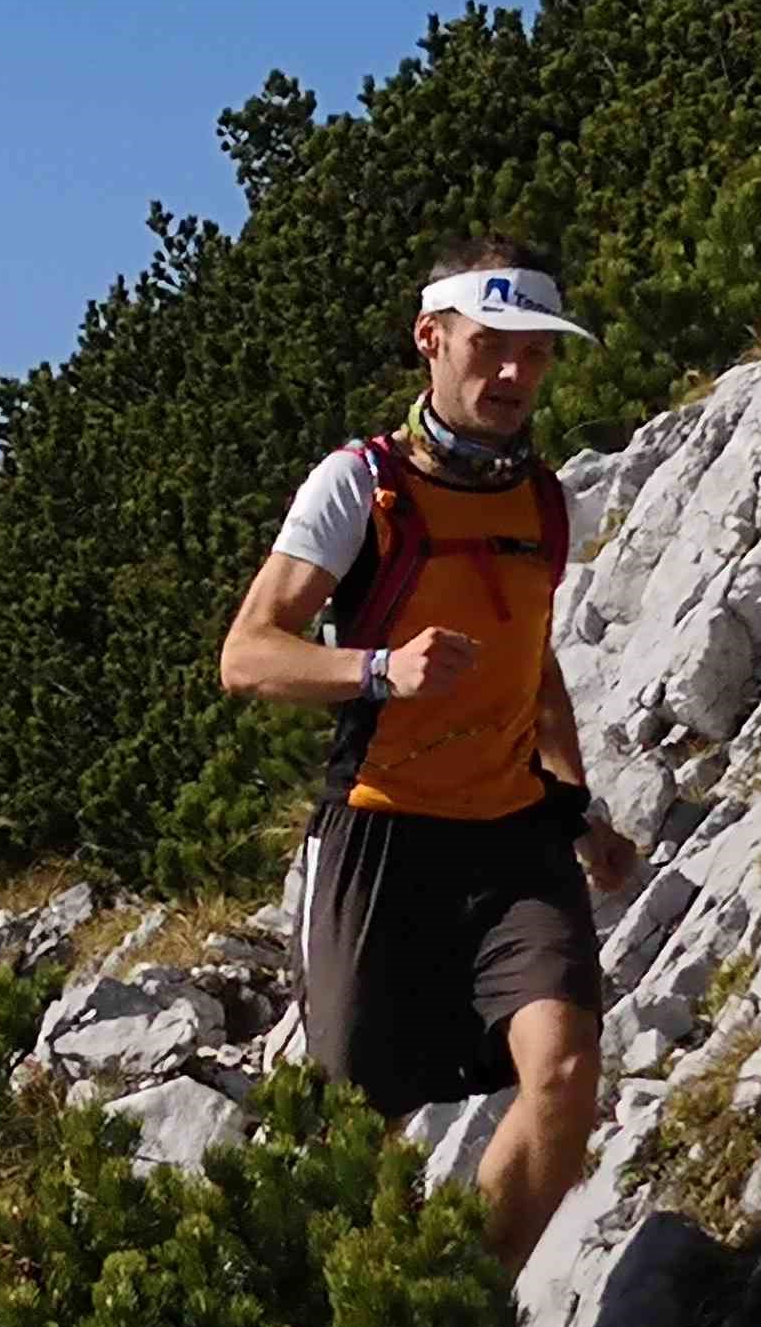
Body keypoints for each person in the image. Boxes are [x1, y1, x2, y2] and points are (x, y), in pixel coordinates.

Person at [218, 241, 637, 1271]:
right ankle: (362, 1325)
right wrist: (376, 671)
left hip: (512, 837)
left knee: (564, 1074)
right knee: (357, 1131)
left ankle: (470, 1308)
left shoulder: (543, 501)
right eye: (490, 346)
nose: (514, 373)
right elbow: (247, 654)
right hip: (380, 831)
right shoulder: (359, 486)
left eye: (536, 353)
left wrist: (577, 807)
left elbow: (532, 665)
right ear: (431, 340)